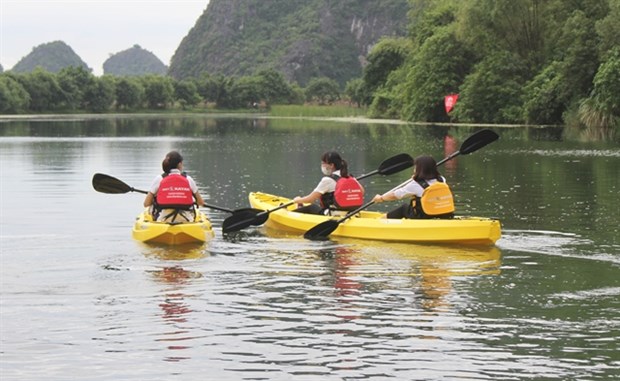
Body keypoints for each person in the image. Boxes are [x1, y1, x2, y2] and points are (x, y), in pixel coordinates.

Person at [372, 155, 454, 219]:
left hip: (424, 217)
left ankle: (382, 220)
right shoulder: (441, 179)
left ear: (419, 169)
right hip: (444, 214)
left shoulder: (415, 184)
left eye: (415, 167)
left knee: (404, 208)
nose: (414, 169)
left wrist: (381, 198)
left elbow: (395, 195)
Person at [293, 151, 364, 215]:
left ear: (331, 165)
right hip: (352, 213)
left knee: (312, 207)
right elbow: (362, 192)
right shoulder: (350, 178)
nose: (322, 166)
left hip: (333, 214)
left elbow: (310, 199)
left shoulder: (327, 180)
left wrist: (298, 200)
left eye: (323, 163)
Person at [143, 151, 205, 223]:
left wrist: (154, 198)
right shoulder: (188, 179)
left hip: (163, 219)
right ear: (180, 164)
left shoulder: (159, 179)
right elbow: (200, 202)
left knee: (152, 206)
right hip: (186, 219)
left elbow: (146, 204)